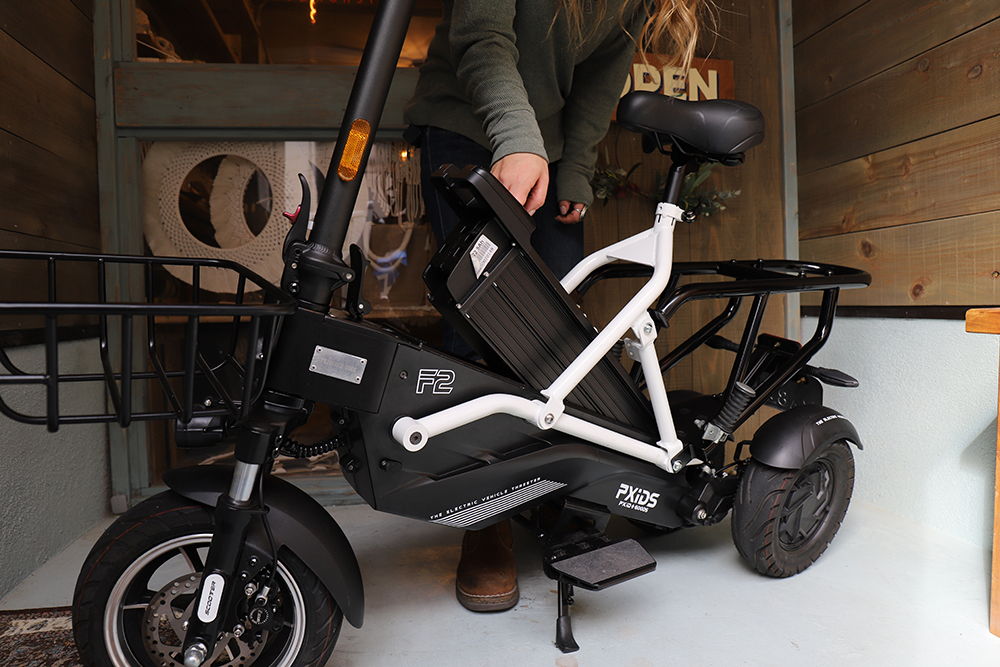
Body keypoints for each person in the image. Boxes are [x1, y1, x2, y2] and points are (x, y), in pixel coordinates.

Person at [403, 0, 707, 613]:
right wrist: (517, 140)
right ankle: (484, 518)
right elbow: (481, 35)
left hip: (548, 145)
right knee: (478, 322)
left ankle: (556, 493)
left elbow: (599, 81)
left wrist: (576, 170)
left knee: (563, 333)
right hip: (468, 118)